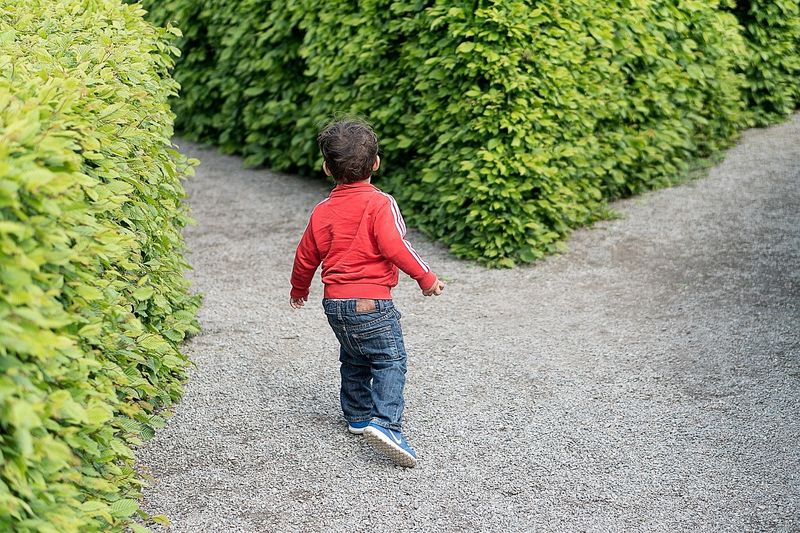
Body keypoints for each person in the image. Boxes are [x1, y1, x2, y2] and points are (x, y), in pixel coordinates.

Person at [289, 119, 444, 468]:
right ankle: (387, 424)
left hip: (335, 303)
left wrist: (299, 289)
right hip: (371, 302)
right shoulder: (380, 203)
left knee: (354, 356)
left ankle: (358, 416)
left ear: (327, 167)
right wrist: (426, 277)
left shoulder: (322, 211)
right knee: (390, 359)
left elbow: (305, 255)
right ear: (376, 163)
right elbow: (396, 246)